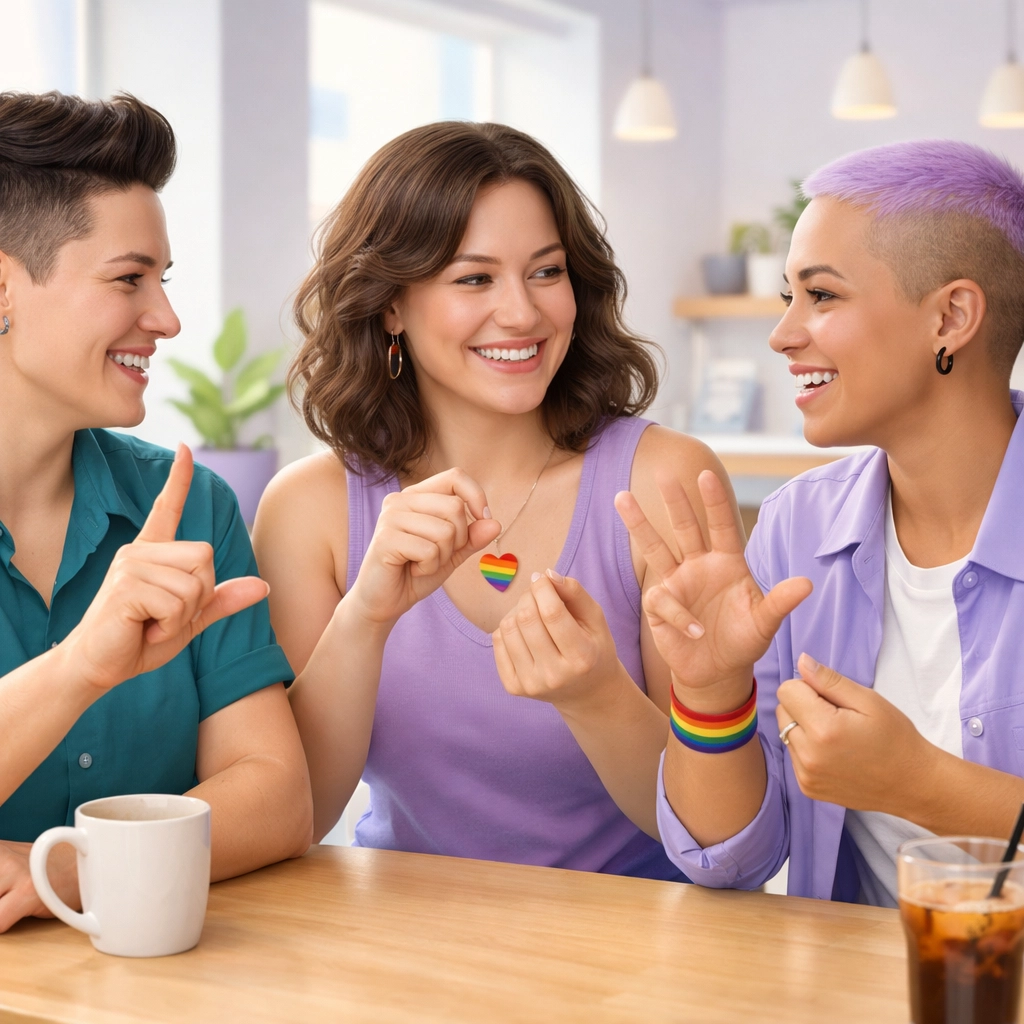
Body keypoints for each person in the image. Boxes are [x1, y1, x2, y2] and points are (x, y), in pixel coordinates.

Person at [253, 121, 740, 877]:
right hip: (403, 951)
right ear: (390, 306)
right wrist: (367, 617)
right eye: (473, 279)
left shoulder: (660, 480)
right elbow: (299, 818)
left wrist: (597, 697)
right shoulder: (309, 509)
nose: (521, 313)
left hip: (634, 962)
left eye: (546, 272)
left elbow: (719, 844)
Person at [619, 139, 1024, 904]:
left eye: (824, 296)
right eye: (786, 298)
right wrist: (711, 691)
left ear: (953, 316)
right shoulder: (796, 528)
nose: (783, 334)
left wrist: (923, 785)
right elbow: (733, 859)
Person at [0, 92, 312, 932]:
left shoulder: (188, 508)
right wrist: (80, 668)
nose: (166, 319)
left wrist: (72, 863)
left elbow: (278, 794)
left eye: (162, 282)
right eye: (128, 279)